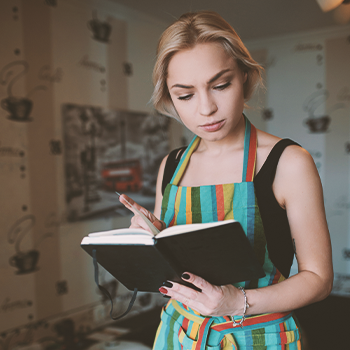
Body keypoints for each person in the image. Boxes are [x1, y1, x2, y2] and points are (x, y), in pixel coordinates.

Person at [119, 11, 333, 349]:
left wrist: (236, 303)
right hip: (178, 334)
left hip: (257, 336)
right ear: (169, 98)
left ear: (245, 78)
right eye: (185, 95)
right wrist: (149, 237)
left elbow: (318, 280)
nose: (206, 108)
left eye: (220, 85)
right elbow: (171, 263)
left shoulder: (288, 162)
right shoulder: (171, 166)